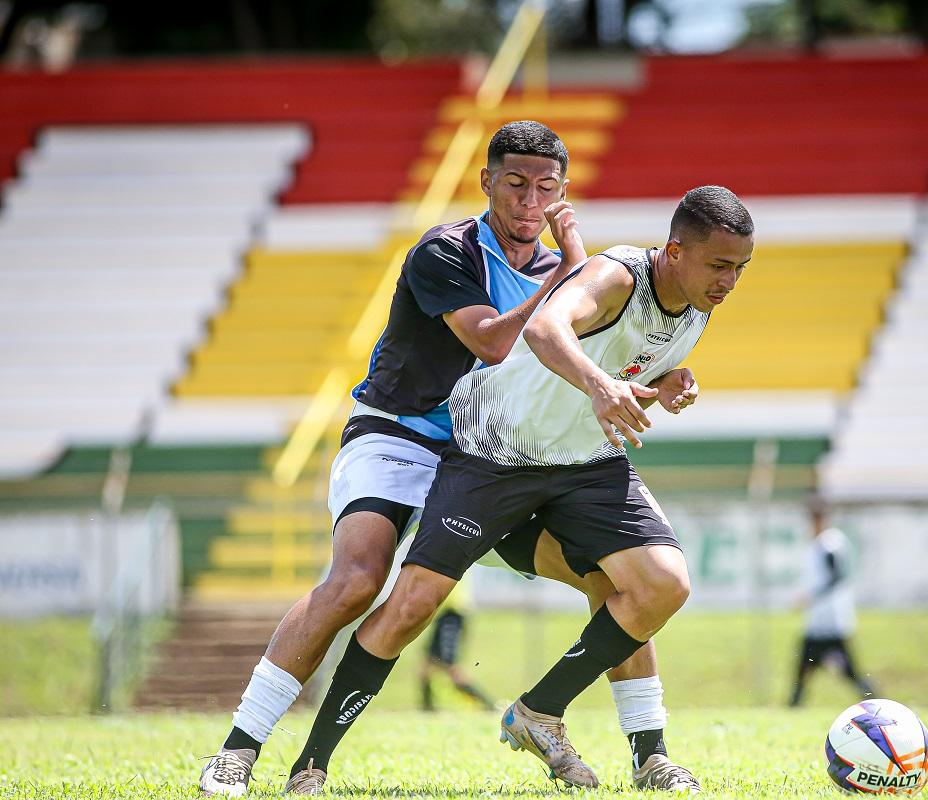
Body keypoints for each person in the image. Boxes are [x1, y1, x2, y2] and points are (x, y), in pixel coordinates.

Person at [198, 121, 687, 796]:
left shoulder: (564, 276)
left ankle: (646, 754)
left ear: (562, 193)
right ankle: (238, 751)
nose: (530, 201)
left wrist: (661, 380)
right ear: (486, 182)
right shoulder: (447, 250)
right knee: (359, 579)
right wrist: (569, 270)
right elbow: (492, 341)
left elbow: (586, 362)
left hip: (490, 457)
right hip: (398, 435)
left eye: (546, 188)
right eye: (515, 184)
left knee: (614, 579)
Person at [297, 185, 754, 793]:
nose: (729, 281)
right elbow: (544, 328)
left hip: (583, 458)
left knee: (660, 584)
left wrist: (667, 381)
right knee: (411, 605)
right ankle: (311, 764)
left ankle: (604, 739)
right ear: (675, 251)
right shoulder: (616, 274)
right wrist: (601, 386)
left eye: (740, 268)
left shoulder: (697, 301)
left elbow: (622, 363)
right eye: (720, 265)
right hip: (495, 451)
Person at [788, 496, 875, 707]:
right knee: (803, 667)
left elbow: (836, 577)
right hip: (817, 622)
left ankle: (876, 702)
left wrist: (811, 597)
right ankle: (793, 707)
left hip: (832, 621)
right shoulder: (818, 544)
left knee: (849, 672)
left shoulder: (829, 545)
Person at [418, 578, 492, 712]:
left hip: (453, 614)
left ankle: (489, 705)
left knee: (452, 667)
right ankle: (427, 708)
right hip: (443, 615)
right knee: (427, 663)